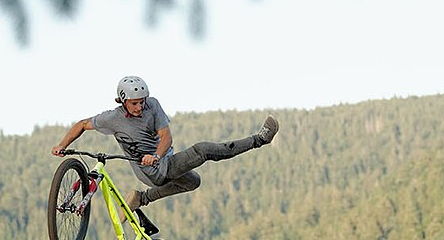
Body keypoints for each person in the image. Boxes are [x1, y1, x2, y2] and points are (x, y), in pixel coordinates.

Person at [51, 75, 280, 210]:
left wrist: (158, 155)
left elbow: (166, 136)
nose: (140, 107)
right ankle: (259, 140)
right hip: (151, 172)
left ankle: (142, 198)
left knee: (193, 182)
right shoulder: (112, 118)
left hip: (163, 161)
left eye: (142, 101)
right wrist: (62, 144)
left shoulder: (153, 105)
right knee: (203, 150)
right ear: (122, 101)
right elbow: (82, 124)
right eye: (134, 104)